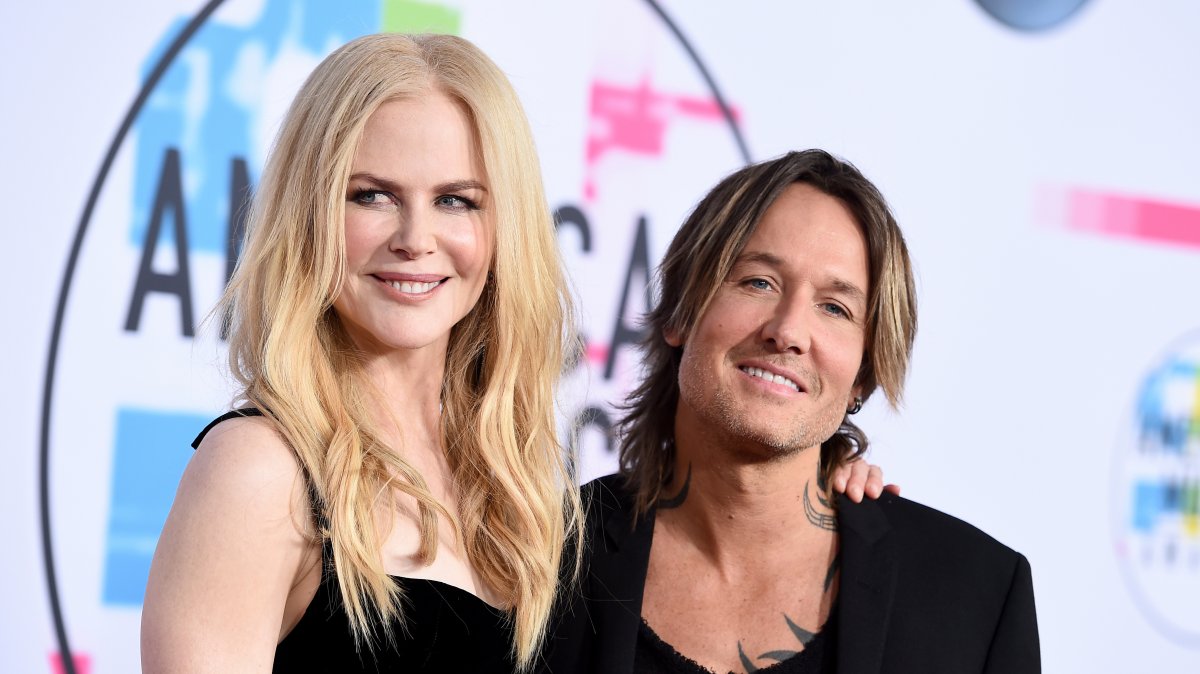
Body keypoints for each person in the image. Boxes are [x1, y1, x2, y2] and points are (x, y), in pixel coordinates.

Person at [139, 32, 892, 672]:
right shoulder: (259, 471)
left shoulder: (519, 497)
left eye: (455, 200)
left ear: (504, 231)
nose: (416, 238)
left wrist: (821, 492)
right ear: (308, 213)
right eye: (370, 195)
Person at [541, 150, 1041, 673]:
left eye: (835, 308)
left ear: (863, 374)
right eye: (758, 282)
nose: (788, 331)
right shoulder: (537, 562)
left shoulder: (974, 594)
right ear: (681, 311)